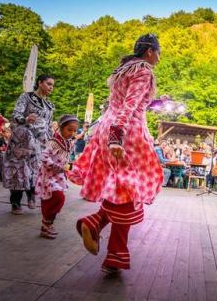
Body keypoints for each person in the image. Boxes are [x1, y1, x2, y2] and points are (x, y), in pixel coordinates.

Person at [68, 34, 163, 275]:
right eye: (159, 53)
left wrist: (155, 103)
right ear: (150, 52)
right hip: (126, 133)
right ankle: (101, 233)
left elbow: (127, 102)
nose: (159, 58)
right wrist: (116, 138)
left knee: (122, 191)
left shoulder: (123, 70)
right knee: (129, 192)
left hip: (107, 127)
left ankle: (113, 252)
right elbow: (129, 107)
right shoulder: (144, 70)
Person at [3, 74, 55, 214]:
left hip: (41, 142)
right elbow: (15, 115)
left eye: (52, 85)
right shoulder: (26, 97)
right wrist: (25, 119)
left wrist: (52, 141)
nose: (51, 87)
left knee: (37, 169)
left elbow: (49, 126)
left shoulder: (50, 105)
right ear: (40, 83)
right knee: (18, 169)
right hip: (23, 140)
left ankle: (32, 195)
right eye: (49, 84)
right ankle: (15, 201)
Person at [36, 115, 79, 239]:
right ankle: (46, 225)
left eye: (74, 130)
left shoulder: (68, 143)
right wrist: (55, 166)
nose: (72, 133)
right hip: (48, 175)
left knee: (57, 199)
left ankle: (48, 224)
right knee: (54, 197)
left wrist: (69, 167)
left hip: (58, 176)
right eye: (69, 129)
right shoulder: (53, 142)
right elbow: (44, 157)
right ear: (61, 127)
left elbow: (65, 160)